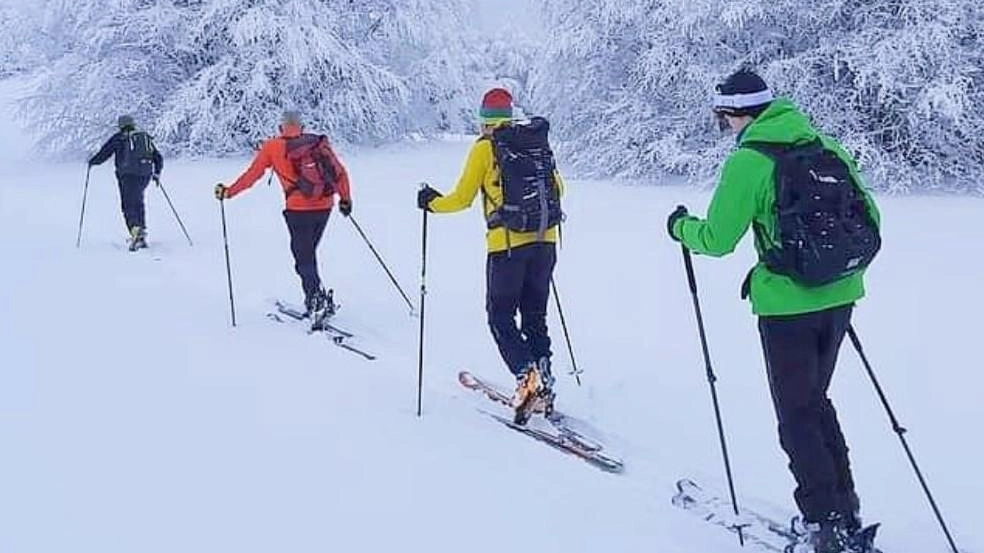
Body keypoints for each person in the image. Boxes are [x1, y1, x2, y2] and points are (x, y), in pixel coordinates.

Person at [667, 70, 882, 553]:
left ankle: (824, 525)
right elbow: (872, 217)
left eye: (724, 120)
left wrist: (681, 228)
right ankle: (843, 511)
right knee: (815, 403)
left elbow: (717, 240)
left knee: (796, 416)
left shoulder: (751, 161)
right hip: (841, 295)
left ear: (741, 114)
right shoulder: (822, 143)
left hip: (787, 306)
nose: (727, 129)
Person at [417, 88, 565, 424]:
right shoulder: (535, 143)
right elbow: (560, 189)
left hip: (507, 246)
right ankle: (544, 379)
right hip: (546, 242)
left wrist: (431, 202)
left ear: (484, 121)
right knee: (534, 317)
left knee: (499, 316)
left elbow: (462, 198)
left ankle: (526, 377)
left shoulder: (485, 148)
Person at [215, 111, 352, 328]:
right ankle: (316, 297)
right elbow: (340, 172)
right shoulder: (317, 143)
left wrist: (229, 192)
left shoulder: (272, 146)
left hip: (298, 209)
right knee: (307, 253)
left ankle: (315, 301)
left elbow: (252, 175)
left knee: (303, 257)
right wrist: (345, 199)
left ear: (281, 128)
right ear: (302, 126)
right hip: (325, 206)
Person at [88, 115, 164, 250]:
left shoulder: (119, 138)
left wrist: (92, 162)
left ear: (120, 125)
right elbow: (158, 157)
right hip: (145, 175)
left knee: (128, 204)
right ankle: (141, 232)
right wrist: (157, 173)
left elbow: (105, 153)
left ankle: (136, 230)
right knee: (138, 202)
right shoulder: (143, 137)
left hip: (127, 176)